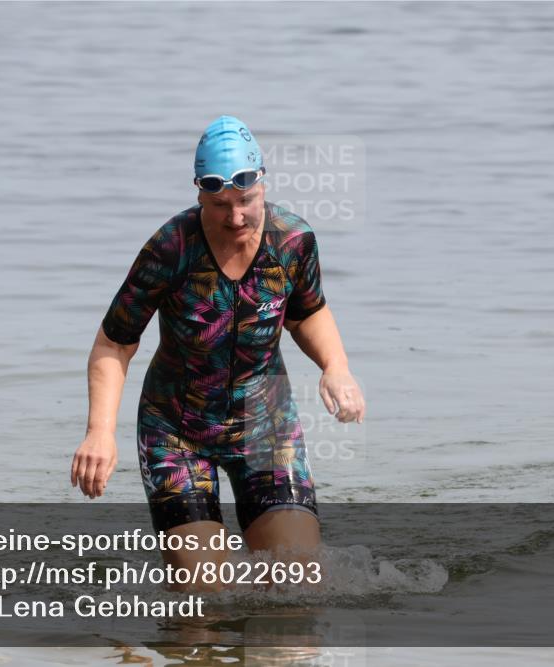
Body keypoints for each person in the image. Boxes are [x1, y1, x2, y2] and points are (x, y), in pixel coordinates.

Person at [70, 115, 365, 591]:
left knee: (298, 582)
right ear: (198, 193)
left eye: (245, 201)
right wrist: (99, 433)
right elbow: (115, 342)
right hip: (178, 430)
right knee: (201, 595)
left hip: (265, 423)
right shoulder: (170, 248)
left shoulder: (292, 241)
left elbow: (307, 312)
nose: (235, 217)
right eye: (219, 204)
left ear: (263, 184)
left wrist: (336, 367)